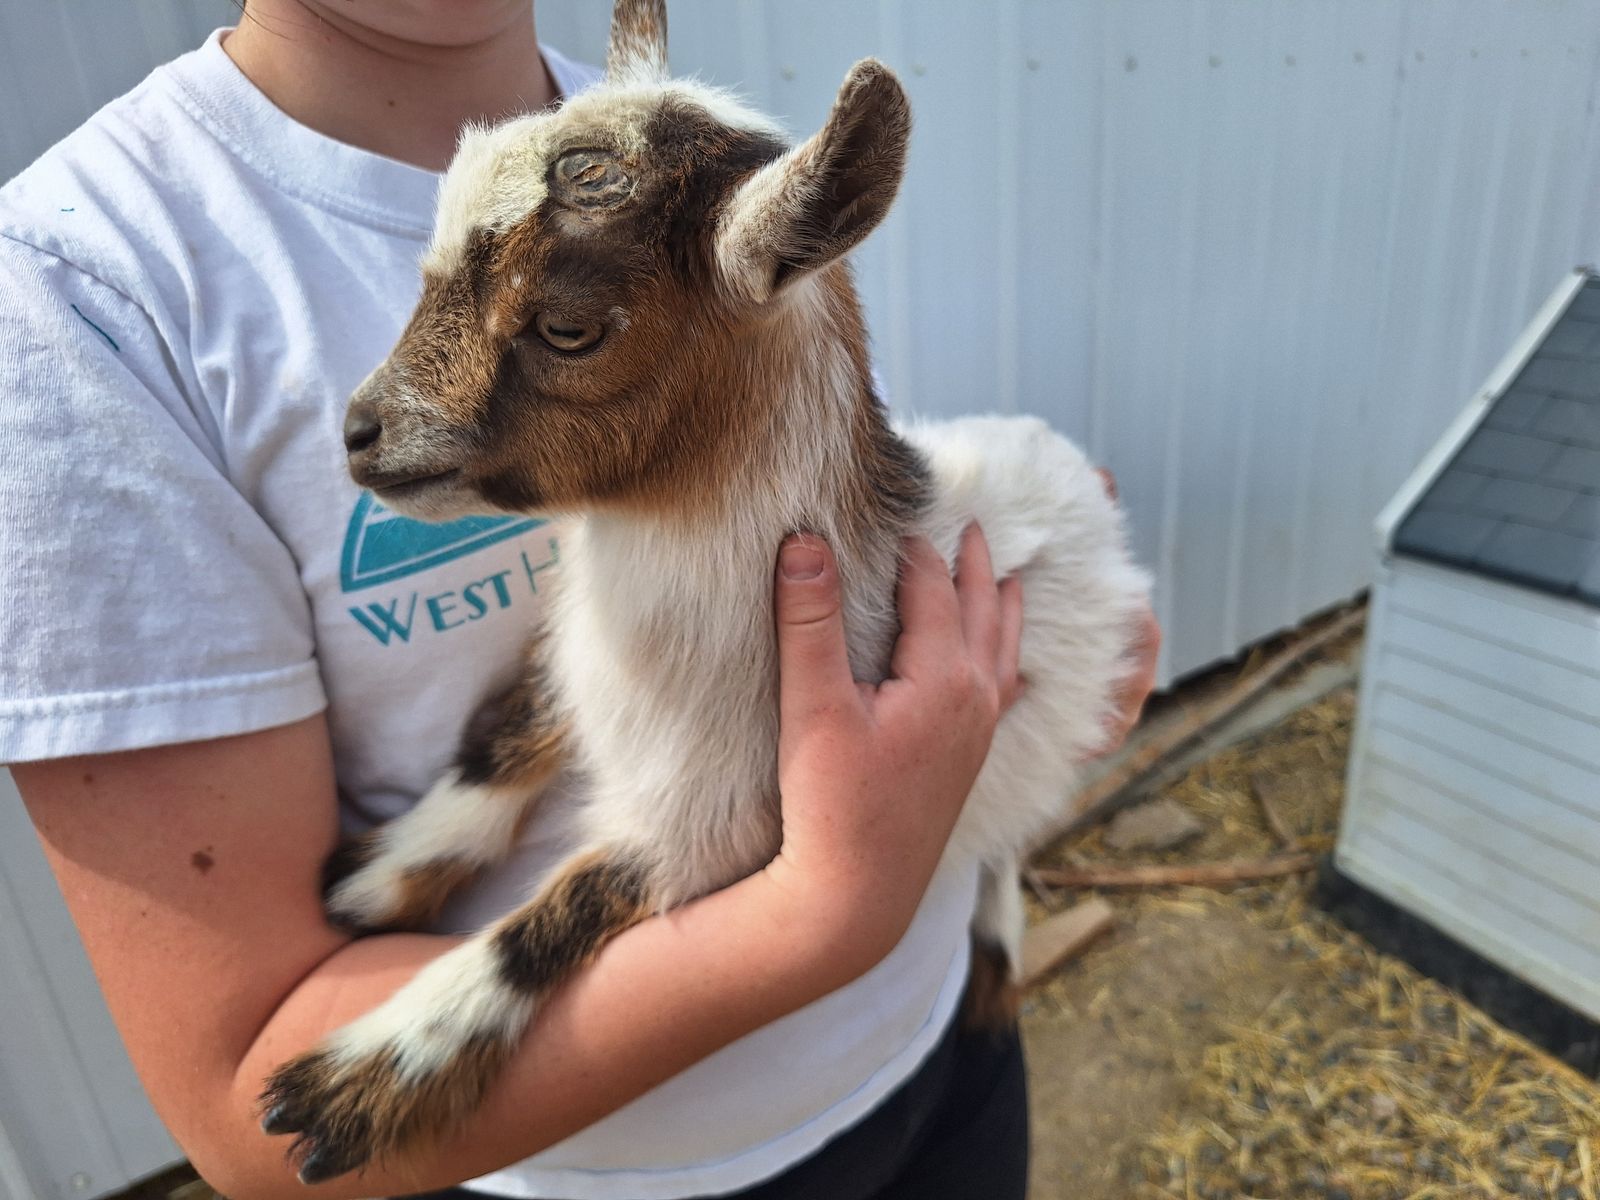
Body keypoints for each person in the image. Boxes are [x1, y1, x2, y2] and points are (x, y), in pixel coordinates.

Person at [0, 3, 1160, 1198]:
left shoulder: (684, 144)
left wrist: (1045, 632)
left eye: (560, 328)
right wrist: (832, 910)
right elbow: (249, 1103)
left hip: (938, 1060)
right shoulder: (89, 300)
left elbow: (792, 547)